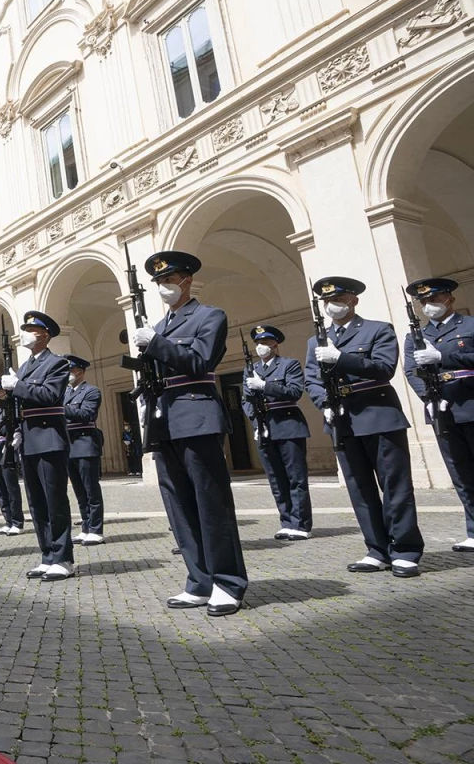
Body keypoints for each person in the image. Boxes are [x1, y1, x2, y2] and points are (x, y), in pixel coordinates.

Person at [132, 251, 246, 616]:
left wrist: (155, 344)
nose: (165, 286)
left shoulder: (209, 316)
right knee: (178, 506)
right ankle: (199, 581)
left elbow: (200, 361)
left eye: (171, 280)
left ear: (188, 281)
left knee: (211, 504)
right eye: (160, 283)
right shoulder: (162, 325)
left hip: (197, 415)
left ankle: (227, 582)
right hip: (164, 420)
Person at [305, 276, 424, 577]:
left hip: (378, 414)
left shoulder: (377, 330)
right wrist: (325, 404)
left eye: (340, 299)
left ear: (353, 301)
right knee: (360, 489)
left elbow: (384, 368)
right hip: (342, 420)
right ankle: (377, 549)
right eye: (328, 301)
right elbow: (311, 380)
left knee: (394, 486)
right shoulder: (315, 341)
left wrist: (341, 358)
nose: (333, 305)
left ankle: (405, 550)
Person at [0, 310, 75, 582]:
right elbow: (22, 402)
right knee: (37, 503)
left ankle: (63, 558)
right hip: (30, 438)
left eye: (31, 329)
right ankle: (48, 556)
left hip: (49, 438)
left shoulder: (57, 363)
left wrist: (17, 386)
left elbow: (49, 395)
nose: (26, 333)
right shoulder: (26, 365)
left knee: (54, 501)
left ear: (44, 334)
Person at [404, 277, 474, 552]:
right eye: (424, 302)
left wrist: (444, 358)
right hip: (442, 409)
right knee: (460, 472)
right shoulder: (415, 336)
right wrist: (428, 397)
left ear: (449, 299)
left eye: (434, 300)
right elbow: (411, 371)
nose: (429, 306)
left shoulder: (469, 325)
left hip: (470, 401)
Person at [242, 325, 313, 540]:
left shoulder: (288, 365)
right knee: (275, 478)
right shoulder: (251, 369)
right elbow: (246, 400)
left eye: (265, 343)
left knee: (295, 477)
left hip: (288, 424)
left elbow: (293, 392)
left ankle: (301, 524)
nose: (261, 347)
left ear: (275, 344)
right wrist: (255, 423)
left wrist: (264, 386)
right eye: (258, 343)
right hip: (264, 427)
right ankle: (286, 521)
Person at [63, 355, 105, 546]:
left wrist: (61, 409)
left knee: (91, 489)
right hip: (69, 446)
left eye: (70, 370)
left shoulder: (91, 391)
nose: (67, 375)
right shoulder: (65, 393)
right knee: (79, 490)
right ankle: (86, 527)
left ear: (79, 371)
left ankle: (96, 529)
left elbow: (87, 414)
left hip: (85, 443)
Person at [0, 379, 25, 536]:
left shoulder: (10, 406)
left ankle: (17, 521)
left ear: (4, 392)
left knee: (11, 489)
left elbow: (9, 426)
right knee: (0, 489)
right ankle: (8, 520)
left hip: (7, 448)